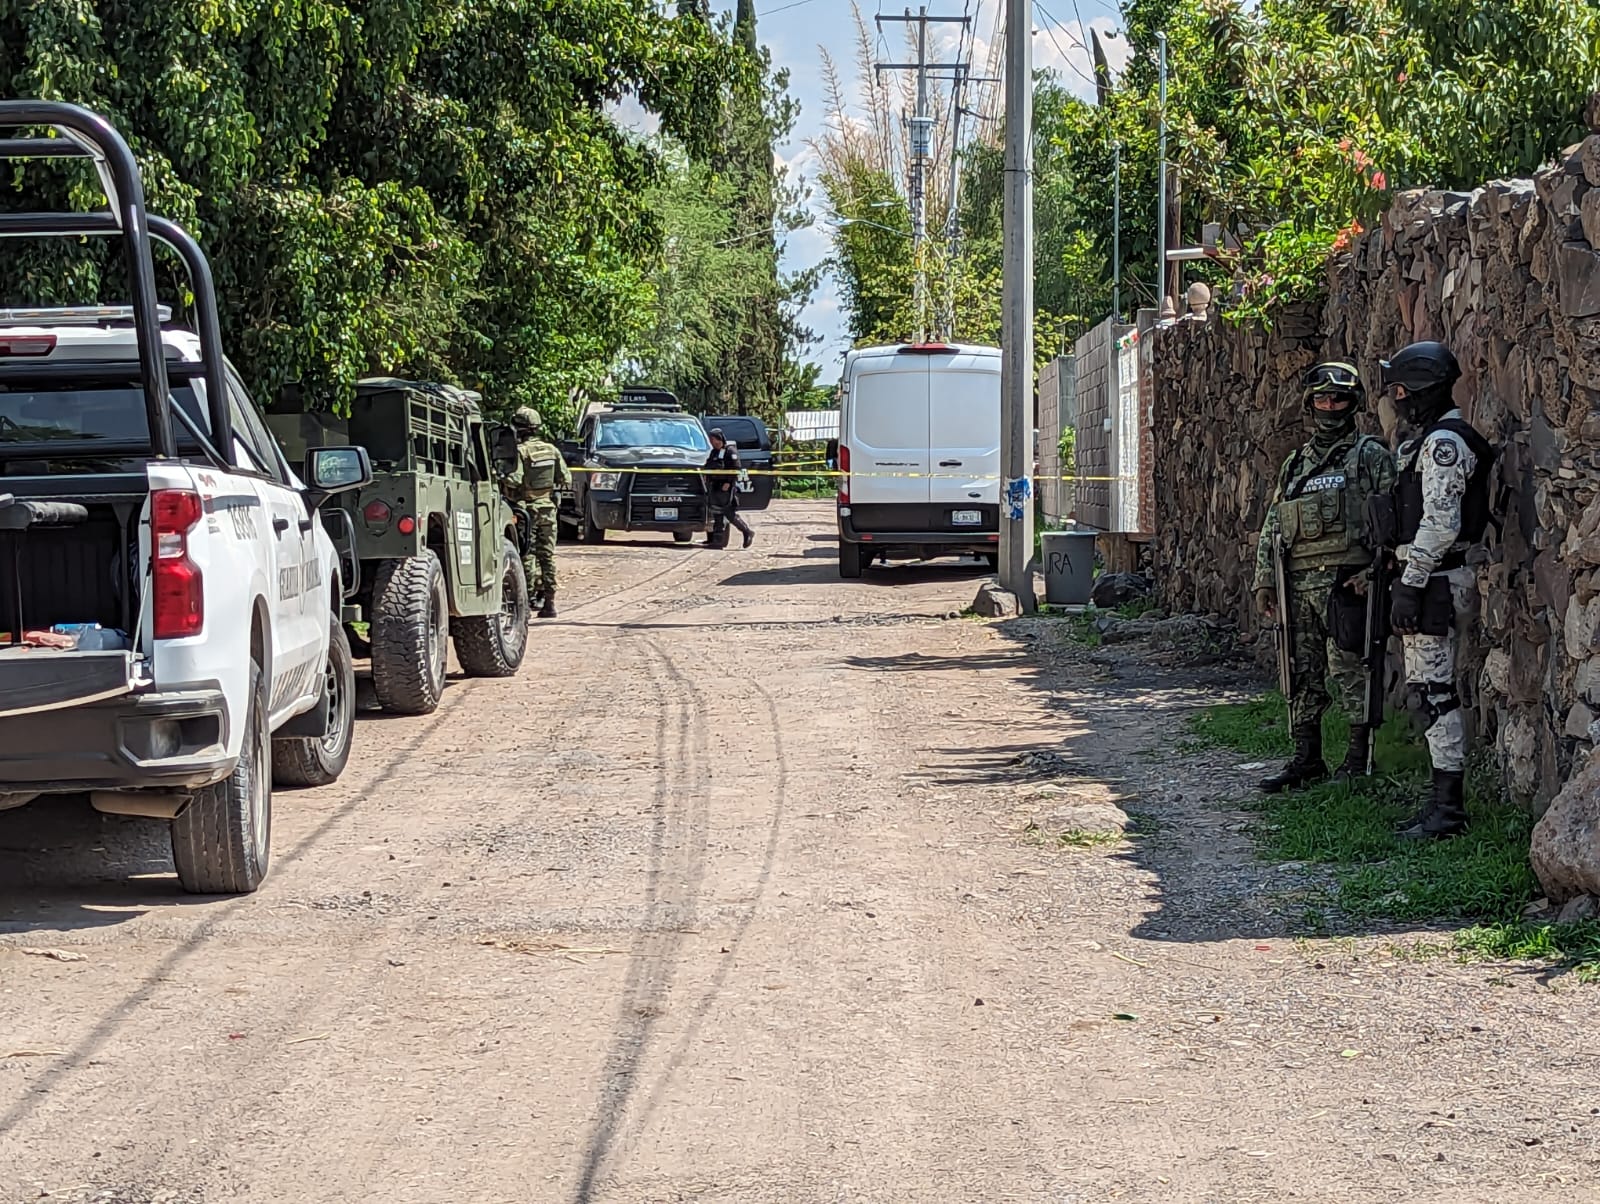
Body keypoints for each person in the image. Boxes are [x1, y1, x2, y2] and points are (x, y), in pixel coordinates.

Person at [1252, 361, 1397, 793]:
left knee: (1351, 669)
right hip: (1297, 585)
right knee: (1299, 671)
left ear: (1353, 404)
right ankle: (1305, 759)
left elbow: (1390, 522)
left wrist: (1375, 573)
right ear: (1309, 404)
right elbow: (1274, 523)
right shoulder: (1295, 466)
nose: (1329, 406)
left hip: (1346, 586)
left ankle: (1356, 760)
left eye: (1338, 399)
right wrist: (1264, 580)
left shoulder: (1369, 456)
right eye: (1321, 399)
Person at [1378, 341, 1495, 839]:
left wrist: (1410, 583)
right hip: (1434, 578)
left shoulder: (1444, 445)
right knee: (1432, 692)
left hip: (1437, 580)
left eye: (1401, 390)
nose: (1397, 399)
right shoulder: (1432, 440)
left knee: (1435, 693)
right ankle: (1443, 804)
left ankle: (1448, 811)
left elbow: (1441, 522)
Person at [504, 405, 570, 619]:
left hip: (527, 511)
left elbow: (514, 480)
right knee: (548, 556)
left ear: (520, 429)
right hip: (548, 509)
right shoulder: (552, 450)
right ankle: (550, 603)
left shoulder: (521, 452)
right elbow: (565, 478)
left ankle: (526, 603)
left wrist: (499, 477)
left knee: (528, 554)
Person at [704, 427, 754, 548]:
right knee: (717, 513)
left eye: (713, 440)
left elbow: (736, 469)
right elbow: (709, 465)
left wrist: (728, 482)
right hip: (715, 487)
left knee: (729, 513)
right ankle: (717, 541)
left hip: (726, 488)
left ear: (719, 439)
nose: (712, 442)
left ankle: (747, 532)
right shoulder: (714, 452)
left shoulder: (730, 451)